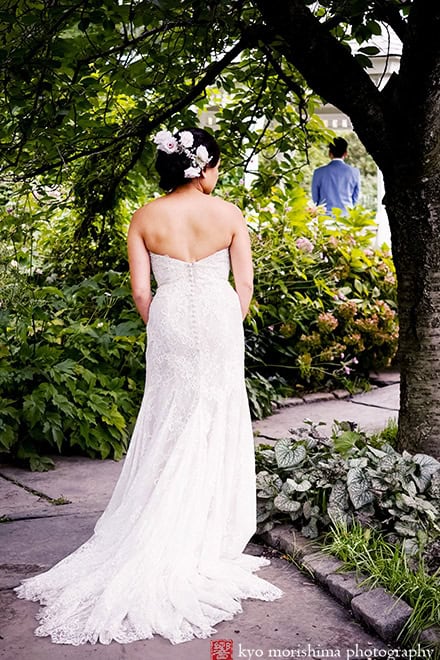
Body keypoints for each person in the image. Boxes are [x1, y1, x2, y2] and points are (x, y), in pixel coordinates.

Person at [13, 126, 283, 646]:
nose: (218, 173)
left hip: (171, 316)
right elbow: (244, 283)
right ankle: (206, 527)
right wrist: (229, 319)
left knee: (170, 412)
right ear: (203, 168)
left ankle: (159, 511)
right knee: (215, 411)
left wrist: (162, 322)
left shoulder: (145, 216)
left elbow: (142, 290)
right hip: (220, 315)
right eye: (217, 165)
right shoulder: (228, 214)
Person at [311, 137, 360, 214]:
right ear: (346, 153)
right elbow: (355, 198)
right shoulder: (354, 172)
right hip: (346, 217)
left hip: (324, 217)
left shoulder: (318, 172)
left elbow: (315, 199)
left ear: (330, 153)